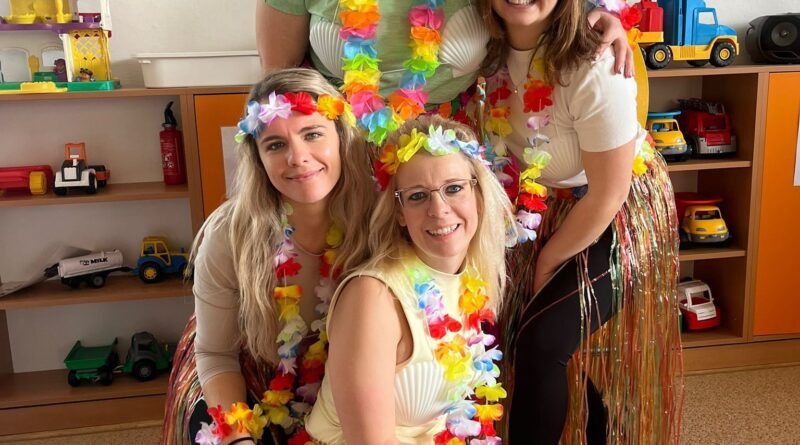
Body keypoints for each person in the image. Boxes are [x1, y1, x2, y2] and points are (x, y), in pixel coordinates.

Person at [476, 0, 683, 443]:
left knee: (541, 341)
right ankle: (594, 430)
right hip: (547, 206)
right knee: (516, 332)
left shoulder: (593, 61)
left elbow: (609, 193)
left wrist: (547, 261)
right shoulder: (481, 51)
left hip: (621, 209)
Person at [160, 68, 375, 445]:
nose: (298, 157)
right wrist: (237, 437)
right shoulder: (229, 235)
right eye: (275, 145)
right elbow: (216, 354)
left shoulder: (380, 217)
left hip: (350, 377)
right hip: (248, 372)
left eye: (312, 134)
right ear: (258, 158)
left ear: (341, 137)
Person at [305, 115, 517, 444]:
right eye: (418, 196)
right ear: (399, 213)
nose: (439, 209)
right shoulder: (373, 297)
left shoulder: (471, 280)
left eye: (454, 188)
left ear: (478, 195)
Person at [256, 0, 634, 143]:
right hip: (341, 156)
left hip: (448, 159)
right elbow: (278, 86)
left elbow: (534, 10)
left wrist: (596, 13)